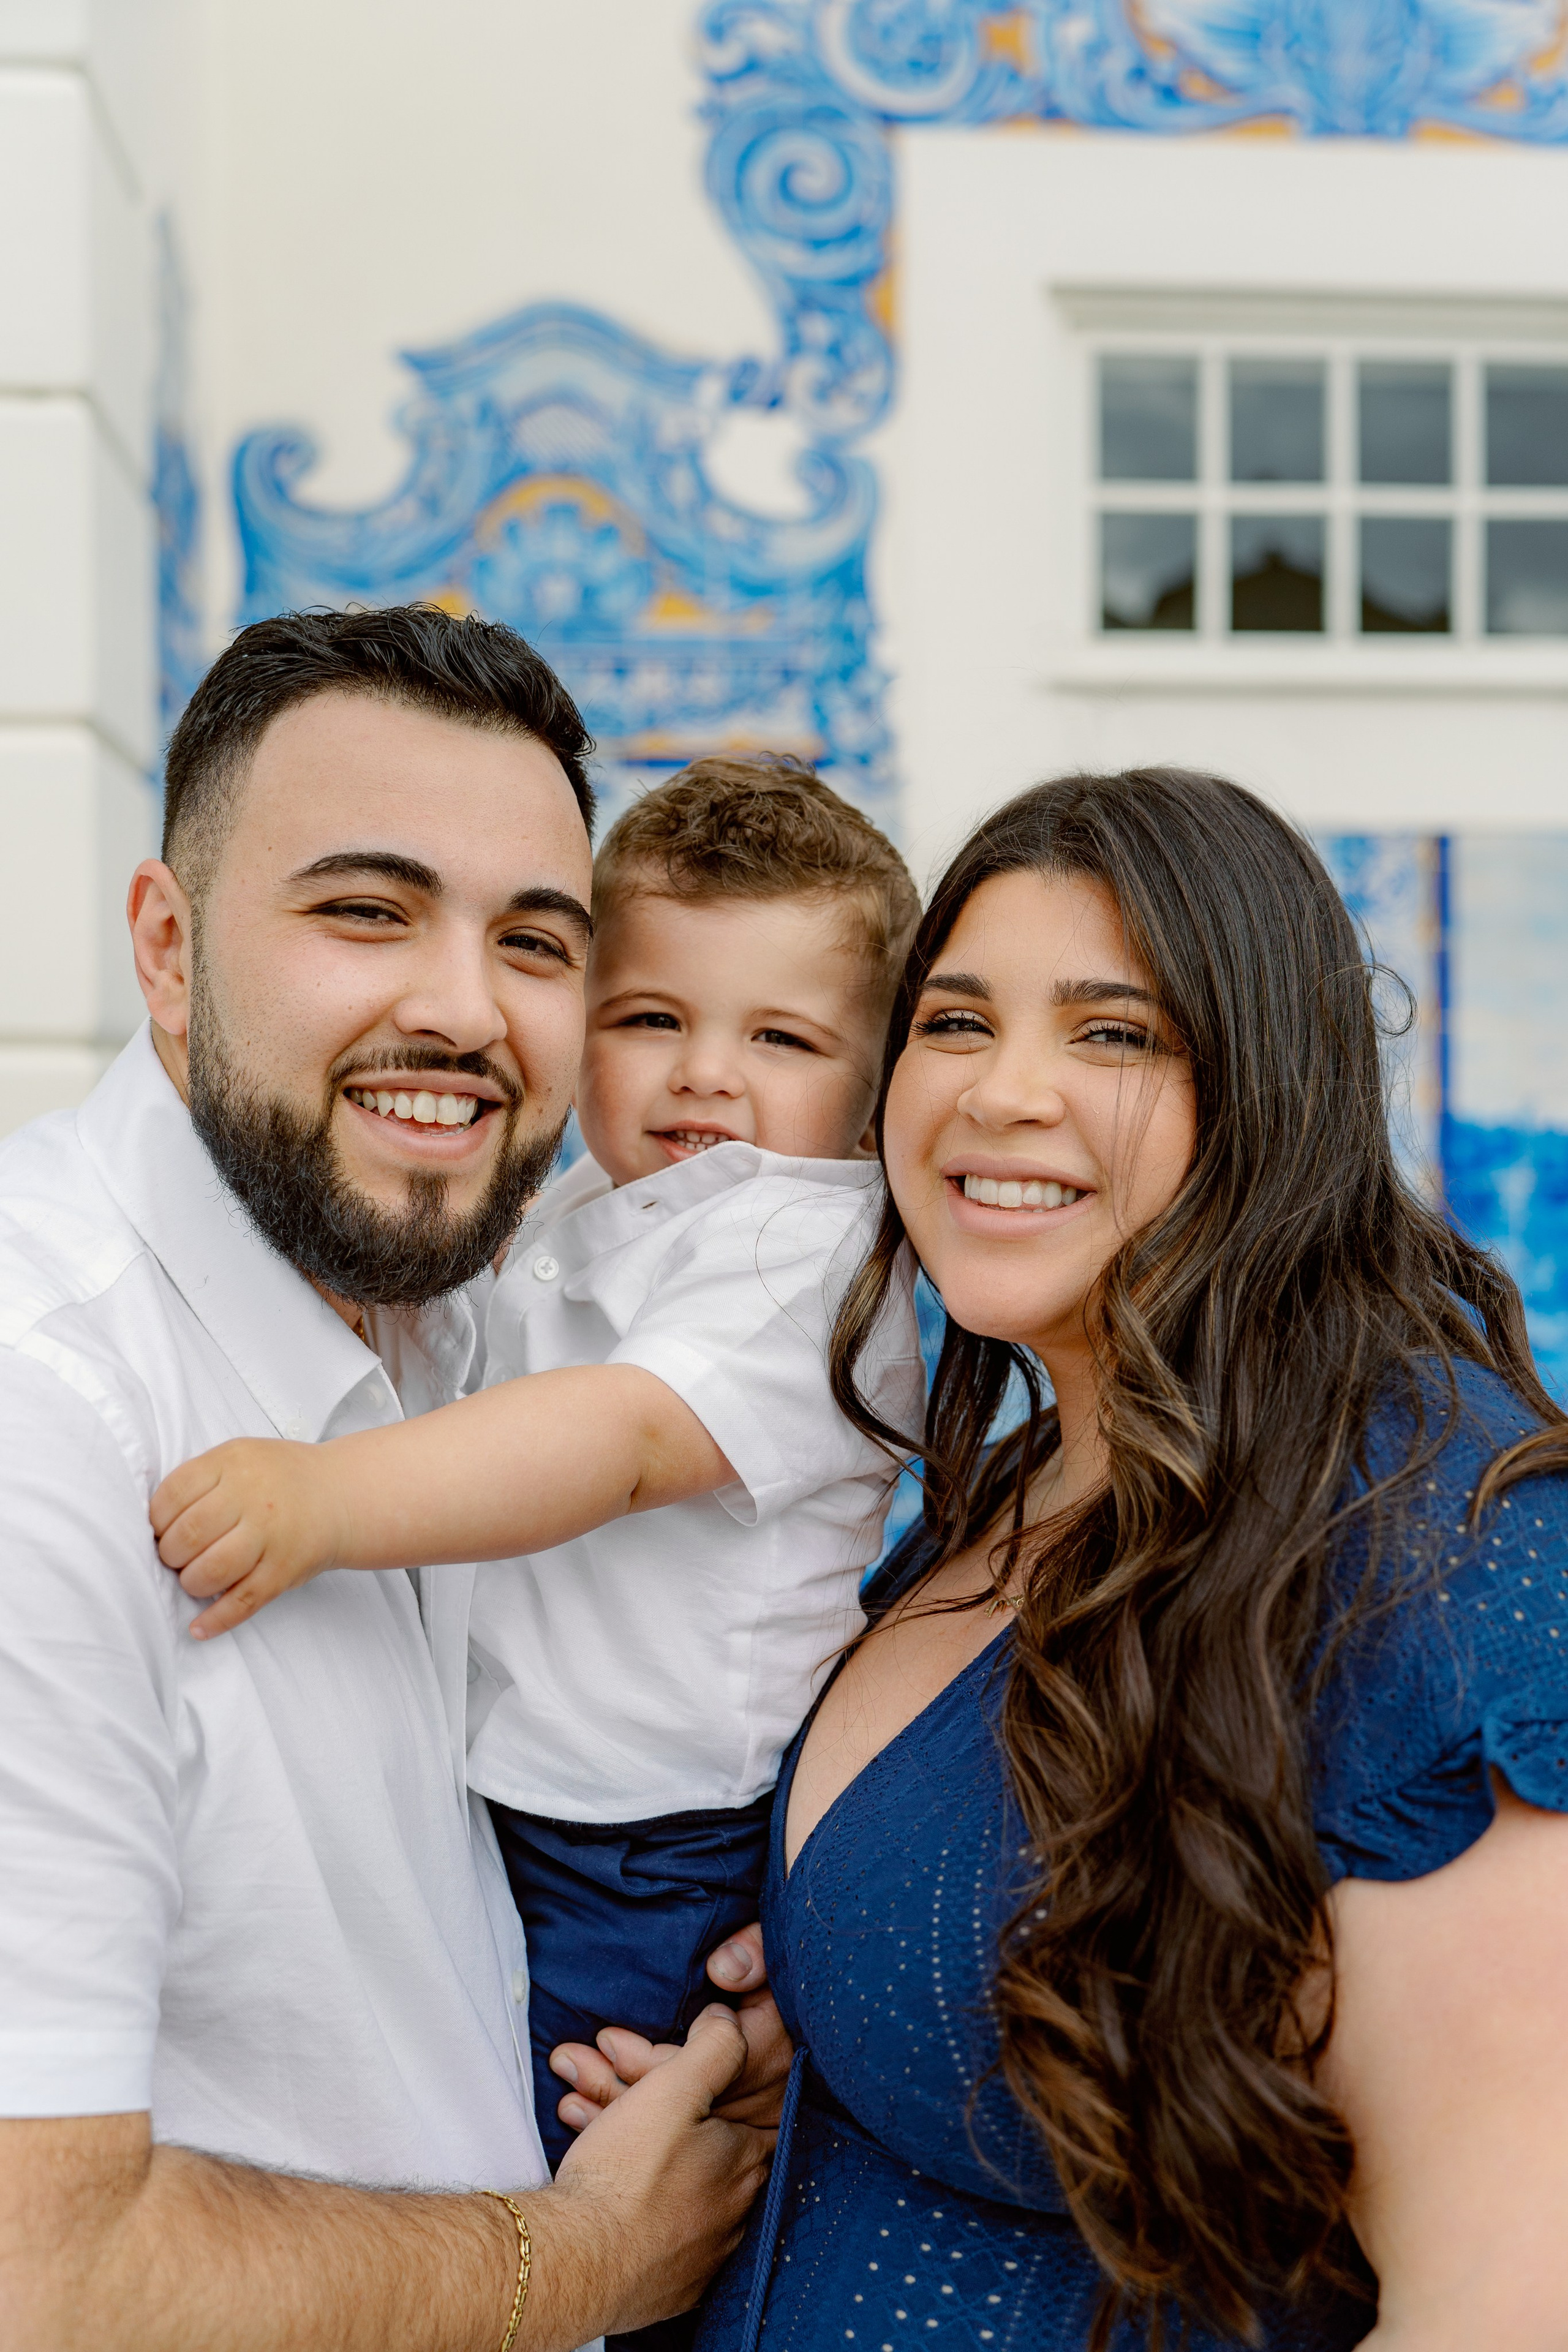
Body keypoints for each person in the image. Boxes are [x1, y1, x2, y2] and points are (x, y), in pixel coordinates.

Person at [645, 764, 1568, 2351]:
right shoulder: (1015, 1479)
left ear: (1269, 1086)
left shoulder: (1438, 1548)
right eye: (954, 1020)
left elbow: (1505, 2297)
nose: (1002, 1094)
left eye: (1113, 1032)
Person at [0, 605, 782, 2352]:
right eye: (367, 910)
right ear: (167, 945)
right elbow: (33, 2278)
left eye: (534, 941)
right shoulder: (41, 1419)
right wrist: (585, 2256)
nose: (462, 1010)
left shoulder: (505, 1324)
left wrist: (744, 1974)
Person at [148, 756, 926, 2179]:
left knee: (561, 2151)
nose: (705, 1071)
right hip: (529, 1792)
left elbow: (621, 1440)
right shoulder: (597, 1197)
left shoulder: (803, 1250)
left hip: (653, 1841)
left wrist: (325, 1501)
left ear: (871, 1103)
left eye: (782, 1041)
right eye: (649, 1019)